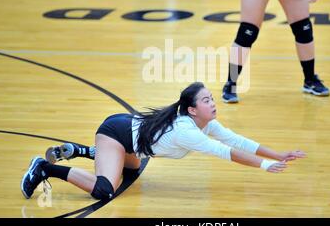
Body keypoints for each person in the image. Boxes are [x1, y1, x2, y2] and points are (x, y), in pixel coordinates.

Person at [21, 82, 306, 200]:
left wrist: (277, 154)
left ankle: (85, 151)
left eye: (212, 98)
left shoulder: (206, 123)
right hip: (116, 133)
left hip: (129, 140)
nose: (213, 103)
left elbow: (238, 141)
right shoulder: (188, 131)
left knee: (130, 172)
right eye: (207, 100)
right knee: (106, 190)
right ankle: (45, 169)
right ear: (192, 109)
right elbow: (227, 153)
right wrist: (265, 166)